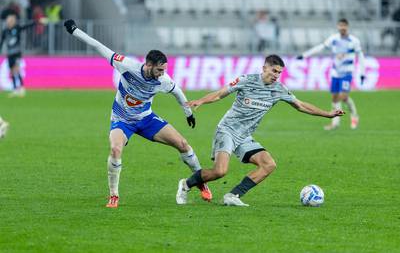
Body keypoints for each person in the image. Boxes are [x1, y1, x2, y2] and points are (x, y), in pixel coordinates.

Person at [63, 19, 212, 208]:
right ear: (148, 65)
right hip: (122, 120)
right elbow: (98, 46)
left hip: (146, 119)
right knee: (116, 149)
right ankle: (114, 195)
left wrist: (188, 113)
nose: (162, 73)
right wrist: (75, 31)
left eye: (164, 69)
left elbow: (177, 92)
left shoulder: (163, 80)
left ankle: (201, 181)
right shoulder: (126, 65)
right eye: (159, 69)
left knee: (183, 144)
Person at [176, 55, 344, 206]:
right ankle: (186, 184)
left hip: (244, 136)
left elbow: (300, 105)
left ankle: (233, 195)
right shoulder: (246, 80)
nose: (276, 75)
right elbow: (220, 94)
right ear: (264, 68)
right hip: (227, 130)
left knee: (268, 164)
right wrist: (201, 101)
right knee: (220, 171)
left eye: (279, 72)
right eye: (274, 71)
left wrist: (327, 114)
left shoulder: (279, 89)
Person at [297, 18, 365, 130]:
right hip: (335, 73)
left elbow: (360, 56)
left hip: (347, 72)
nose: (342, 28)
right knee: (334, 98)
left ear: (347, 27)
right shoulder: (333, 39)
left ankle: (354, 116)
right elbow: (321, 47)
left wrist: (362, 72)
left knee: (343, 97)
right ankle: (335, 123)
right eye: (340, 25)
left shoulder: (354, 41)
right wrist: (305, 55)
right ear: (338, 26)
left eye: (344, 26)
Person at [0, 14, 37, 97]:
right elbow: (2, 42)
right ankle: (15, 89)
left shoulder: (17, 28)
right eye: (8, 21)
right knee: (12, 72)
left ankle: (22, 88)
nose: (9, 22)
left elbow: (25, 27)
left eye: (11, 21)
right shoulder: (5, 31)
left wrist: (34, 22)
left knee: (17, 69)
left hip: (17, 53)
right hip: (9, 53)